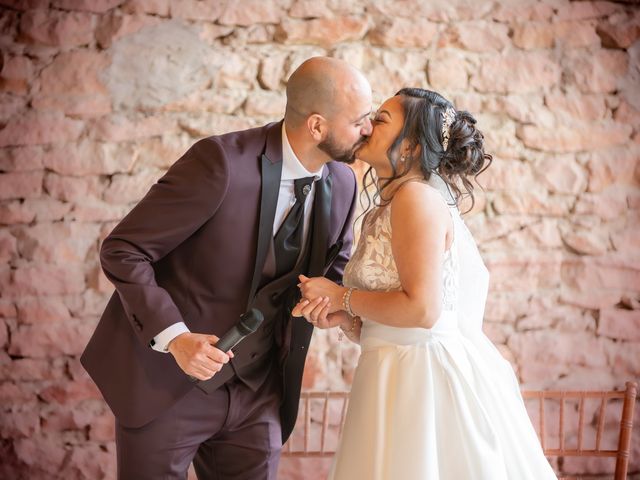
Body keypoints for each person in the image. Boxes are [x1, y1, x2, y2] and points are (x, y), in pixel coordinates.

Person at [80, 56, 373, 480]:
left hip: (261, 392)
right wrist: (176, 340)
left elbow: (335, 267)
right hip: (170, 385)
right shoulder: (220, 163)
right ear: (316, 126)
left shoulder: (343, 182)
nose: (368, 129)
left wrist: (335, 305)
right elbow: (124, 250)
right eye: (359, 120)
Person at [293, 88, 558, 479]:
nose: (366, 126)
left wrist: (341, 295)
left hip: (421, 380)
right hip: (390, 369)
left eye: (380, 120)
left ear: (413, 146)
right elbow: (401, 312)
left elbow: (422, 310)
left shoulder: (414, 198)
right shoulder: (392, 202)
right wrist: (348, 318)